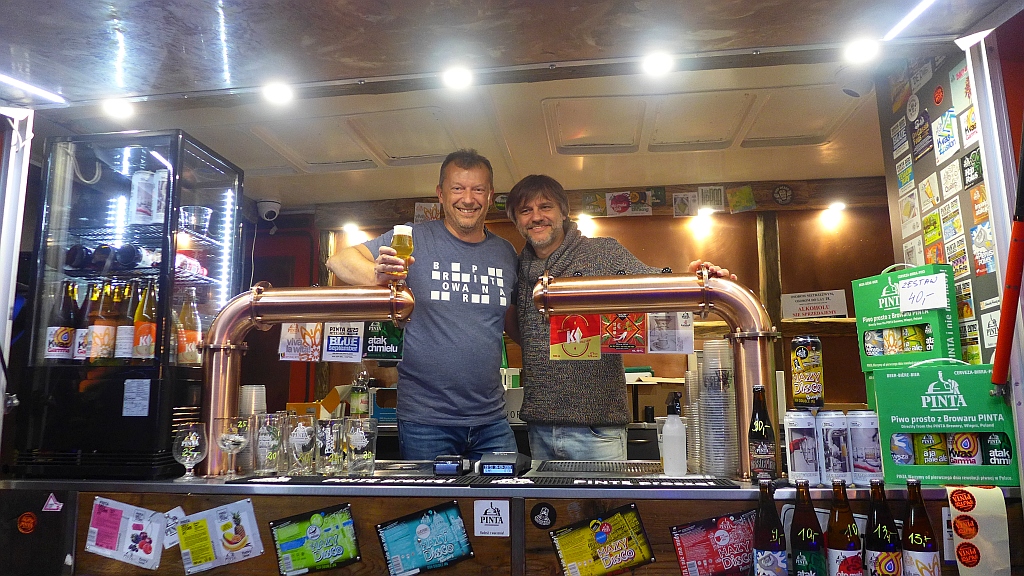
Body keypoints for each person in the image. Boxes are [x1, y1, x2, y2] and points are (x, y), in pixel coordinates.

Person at [506, 174, 733, 461]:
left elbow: (654, 286)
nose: (536, 217)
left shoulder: (603, 252)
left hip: (598, 430)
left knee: (607, 495)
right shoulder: (516, 268)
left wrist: (692, 280)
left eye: (545, 207)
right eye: (526, 210)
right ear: (517, 220)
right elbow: (518, 327)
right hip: (539, 427)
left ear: (563, 212)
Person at [327, 149, 519, 460]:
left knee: (506, 493)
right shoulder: (412, 238)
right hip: (426, 423)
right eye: (458, 188)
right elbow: (338, 260)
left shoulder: (505, 253)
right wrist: (376, 275)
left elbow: (515, 322)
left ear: (490, 195)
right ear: (441, 194)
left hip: (492, 421)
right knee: (431, 495)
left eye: (478, 189)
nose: (468, 198)